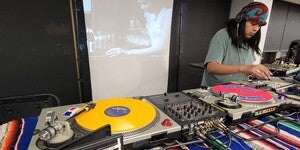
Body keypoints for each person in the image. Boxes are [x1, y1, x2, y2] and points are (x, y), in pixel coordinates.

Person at [201, 2, 272, 87]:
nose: (256, 29)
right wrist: (244, 68)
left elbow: (245, 69)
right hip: (214, 91)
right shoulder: (222, 35)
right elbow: (211, 67)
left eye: (259, 25)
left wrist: (255, 72)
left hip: (238, 90)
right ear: (240, 20)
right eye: (253, 24)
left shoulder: (249, 42)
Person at [105, 0, 172, 56]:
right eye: (140, 4)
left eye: (145, 3)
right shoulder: (149, 14)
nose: (142, 7)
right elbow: (153, 36)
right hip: (153, 57)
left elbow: (162, 48)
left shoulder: (168, 13)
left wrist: (127, 52)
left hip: (164, 59)